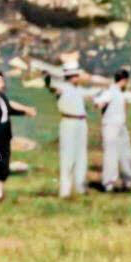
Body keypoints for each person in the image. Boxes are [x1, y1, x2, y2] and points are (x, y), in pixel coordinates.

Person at [0, 71, 35, 203]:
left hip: (4, 136)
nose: (3, 83)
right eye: (0, 81)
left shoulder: (3, 97)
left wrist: (25, 112)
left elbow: (8, 110)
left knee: (3, 162)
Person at [94, 69, 131, 192]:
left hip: (121, 126)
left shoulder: (120, 93)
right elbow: (99, 102)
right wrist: (100, 103)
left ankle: (128, 181)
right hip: (111, 126)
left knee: (126, 154)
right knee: (111, 154)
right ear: (124, 80)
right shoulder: (111, 92)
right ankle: (109, 183)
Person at [51, 66, 89, 198]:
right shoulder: (61, 87)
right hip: (68, 121)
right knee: (67, 156)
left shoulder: (79, 89)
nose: (76, 78)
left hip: (81, 122)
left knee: (81, 155)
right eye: (74, 75)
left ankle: (80, 186)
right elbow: (51, 84)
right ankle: (65, 190)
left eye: (77, 75)